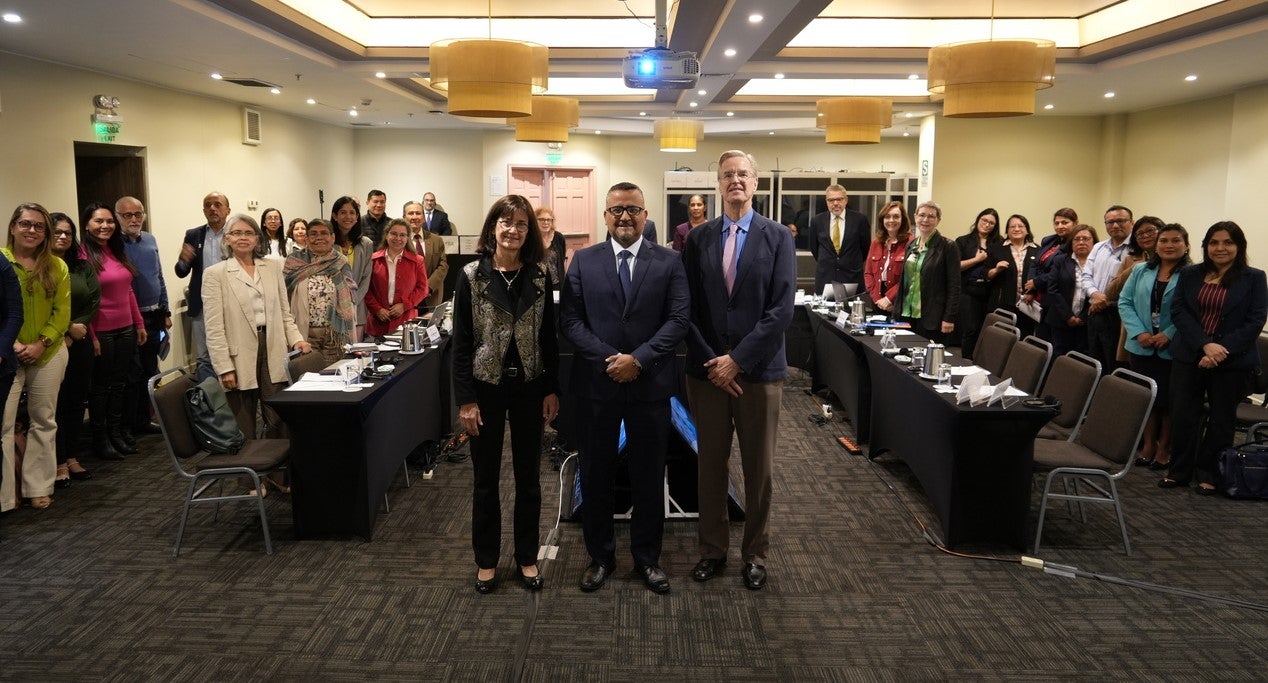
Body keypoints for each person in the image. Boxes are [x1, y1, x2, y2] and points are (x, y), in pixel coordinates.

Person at [560, 181, 689, 595]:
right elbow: (572, 323)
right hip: (598, 387)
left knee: (649, 475)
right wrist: (611, 361)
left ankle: (647, 559)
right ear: (605, 216)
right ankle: (600, 558)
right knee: (596, 473)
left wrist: (640, 360)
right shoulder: (582, 261)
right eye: (617, 209)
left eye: (633, 209)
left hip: (649, 386)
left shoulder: (669, 262)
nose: (625, 216)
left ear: (645, 215)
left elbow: (678, 319)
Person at [682, 150, 796, 591]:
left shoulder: (777, 237)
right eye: (727, 174)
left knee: (759, 469)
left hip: (758, 372)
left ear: (755, 182)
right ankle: (712, 550)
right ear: (718, 183)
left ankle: (755, 554)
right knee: (709, 464)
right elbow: (686, 307)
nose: (735, 181)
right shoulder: (699, 238)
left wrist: (738, 360)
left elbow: (781, 310)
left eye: (742, 174)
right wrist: (716, 362)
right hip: (707, 372)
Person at [452, 194, 560, 594]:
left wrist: (552, 388)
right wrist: (465, 399)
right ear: (493, 227)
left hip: (530, 386)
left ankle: (527, 558)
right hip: (485, 388)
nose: (513, 230)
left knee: (529, 478)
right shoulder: (471, 276)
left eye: (521, 224)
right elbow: (461, 343)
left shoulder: (539, 275)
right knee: (485, 479)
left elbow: (549, 338)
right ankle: (486, 560)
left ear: (529, 231)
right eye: (506, 222)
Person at [1163, 221, 1268, 495]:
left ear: (1239, 246)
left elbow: (1255, 320)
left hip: (1231, 360)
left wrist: (1219, 350)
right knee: (1184, 415)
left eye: (1228, 242)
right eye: (1214, 242)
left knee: (1222, 420)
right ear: (1205, 246)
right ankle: (1179, 471)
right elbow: (1180, 311)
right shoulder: (1190, 274)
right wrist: (1205, 346)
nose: (1220, 248)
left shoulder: (1254, 277)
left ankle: (1210, 473)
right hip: (1190, 354)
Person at [203, 214, 311, 450]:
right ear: (227, 239)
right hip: (238, 352)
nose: (243, 238)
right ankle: (250, 479)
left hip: (272, 345)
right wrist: (224, 367)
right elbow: (213, 326)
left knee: (277, 415)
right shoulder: (215, 274)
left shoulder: (273, 267)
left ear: (257, 238)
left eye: (248, 233)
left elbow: (284, 312)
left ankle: (278, 475)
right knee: (244, 419)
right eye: (236, 233)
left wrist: (297, 340)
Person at [2, 203, 69, 512]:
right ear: (13, 226)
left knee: (43, 420)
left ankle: (38, 487)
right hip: (6, 354)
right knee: (3, 425)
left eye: (39, 226)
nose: (31, 230)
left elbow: (62, 312)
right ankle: (5, 496)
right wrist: (11, 343)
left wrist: (42, 343)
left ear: (46, 233)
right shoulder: (2, 262)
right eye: (26, 224)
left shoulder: (56, 266)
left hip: (48, 352)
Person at [1119, 223, 1189, 471]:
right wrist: (1139, 332)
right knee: (1147, 398)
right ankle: (1147, 445)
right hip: (1142, 345)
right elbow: (1124, 302)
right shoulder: (1140, 270)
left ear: (1186, 245)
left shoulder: (1192, 274)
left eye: (1175, 240)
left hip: (1174, 348)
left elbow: (1193, 311)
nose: (1169, 245)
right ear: (1156, 246)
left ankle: (1163, 447)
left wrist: (1168, 334)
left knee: (1168, 401)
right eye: (1164, 241)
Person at [81, 203, 147, 460]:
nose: (105, 226)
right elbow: (82, 301)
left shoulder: (116, 250)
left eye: (109, 221)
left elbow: (128, 290)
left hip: (126, 328)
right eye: (99, 221)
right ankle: (101, 438)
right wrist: (93, 336)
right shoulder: (82, 255)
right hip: (101, 331)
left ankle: (116, 433)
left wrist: (138, 323)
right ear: (87, 224)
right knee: (101, 387)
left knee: (119, 384)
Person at [50, 213, 99, 485]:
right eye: (57, 232)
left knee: (76, 401)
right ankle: (56, 462)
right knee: (53, 406)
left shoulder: (82, 266)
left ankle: (71, 456)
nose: (63, 237)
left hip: (79, 342)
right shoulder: (41, 266)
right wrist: (66, 329)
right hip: (51, 343)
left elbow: (93, 300)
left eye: (68, 233)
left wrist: (78, 328)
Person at [116, 196, 169, 439]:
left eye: (138, 214)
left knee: (150, 369)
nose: (134, 219)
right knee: (131, 373)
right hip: (129, 319)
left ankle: (144, 418)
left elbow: (159, 275)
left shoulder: (150, 239)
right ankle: (126, 426)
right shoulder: (114, 244)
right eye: (128, 215)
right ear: (118, 217)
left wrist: (165, 309)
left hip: (154, 314)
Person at [283, 220, 356, 364]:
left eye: (324, 233)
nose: (319, 237)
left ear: (333, 237)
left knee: (335, 375)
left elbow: (352, 292)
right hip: (304, 332)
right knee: (307, 376)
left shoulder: (341, 262)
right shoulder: (294, 262)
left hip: (335, 332)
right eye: (313, 234)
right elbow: (284, 295)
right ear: (307, 238)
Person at [175, 191, 230, 381]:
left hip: (231, 302)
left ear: (228, 210)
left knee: (232, 352)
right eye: (208, 205)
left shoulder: (235, 233)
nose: (212, 208)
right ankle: (211, 401)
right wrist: (184, 259)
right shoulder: (194, 235)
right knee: (204, 357)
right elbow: (181, 271)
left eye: (217, 204)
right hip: (202, 304)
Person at [895, 201, 960, 342]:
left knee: (927, 359)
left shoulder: (948, 246)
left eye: (931, 216)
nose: (925, 220)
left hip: (932, 317)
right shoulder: (911, 245)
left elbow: (954, 286)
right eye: (922, 215)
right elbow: (905, 281)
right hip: (906, 313)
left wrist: (949, 318)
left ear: (938, 220)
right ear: (915, 217)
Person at [1082, 205, 1134, 374]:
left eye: (1121, 221)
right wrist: (1096, 295)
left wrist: (1105, 300)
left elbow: (1129, 285)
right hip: (1094, 311)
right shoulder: (1098, 247)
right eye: (1110, 222)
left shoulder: (1135, 250)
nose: (1115, 225)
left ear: (1132, 223)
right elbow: (1086, 275)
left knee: (1115, 364)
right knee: (1095, 361)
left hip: (1118, 314)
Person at [1106, 216, 1163, 364]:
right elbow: (1111, 293)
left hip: (1164, 335)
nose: (1145, 236)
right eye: (1139, 233)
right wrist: (1139, 265)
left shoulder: (1175, 263)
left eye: (1150, 231)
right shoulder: (1131, 260)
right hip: (1135, 332)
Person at [365, 219, 428, 337]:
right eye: (394, 234)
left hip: (406, 321)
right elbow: (365, 289)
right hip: (377, 322)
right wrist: (377, 309)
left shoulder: (417, 261)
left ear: (408, 238)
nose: (398, 238)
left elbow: (422, 289)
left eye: (402, 235)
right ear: (386, 235)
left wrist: (404, 305)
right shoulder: (372, 260)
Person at [1044, 225, 1099, 357]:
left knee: (1082, 359)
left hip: (1087, 322)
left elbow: (1101, 292)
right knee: (1059, 356)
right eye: (1077, 239)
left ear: (1094, 242)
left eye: (1086, 239)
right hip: (1060, 320)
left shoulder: (1099, 263)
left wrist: (1082, 317)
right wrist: (1068, 316)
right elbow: (1052, 289)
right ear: (1071, 242)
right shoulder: (1060, 261)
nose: (1081, 242)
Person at [955, 208, 1002, 357]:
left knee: (989, 330)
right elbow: (956, 266)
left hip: (991, 291)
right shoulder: (962, 241)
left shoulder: (999, 242)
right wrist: (977, 260)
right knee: (971, 329)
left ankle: (984, 364)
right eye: (984, 220)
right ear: (978, 220)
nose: (987, 225)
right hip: (968, 291)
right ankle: (966, 362)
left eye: (991, 223)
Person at [808, 184, 869, 295]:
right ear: (826, 202)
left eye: (839, 199)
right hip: (826, 278)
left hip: (852, 278)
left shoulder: (860, 220)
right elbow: (814, 248)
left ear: (846, 200)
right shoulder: (817, 221)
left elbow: (865, 248)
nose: (835, 203)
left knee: (852, 311)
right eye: (831, 200)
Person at [1028, 208, 1078, 342]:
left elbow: (1058, 272)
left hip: (1056, 296)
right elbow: (1035, 264)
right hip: (1039, 296)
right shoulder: (1049, 241)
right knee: (1039, 338)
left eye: (1065, 222)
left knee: (1052, 341)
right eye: (1057, 223)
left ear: (1075, 223)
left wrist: (1037, 282)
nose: (1060, 226)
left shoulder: (1075, 243)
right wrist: (1031, 286)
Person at [985, 214, 1038, 338]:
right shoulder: (996, 249)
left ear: (1027, 230)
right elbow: (985, 273)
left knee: (1024, 340)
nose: (1016, 229)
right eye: (1012, 226)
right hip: (1002, 303)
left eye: (1020, 226)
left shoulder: (1037, 250)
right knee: (1000, 339)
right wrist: (996, 269)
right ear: (1007, 231)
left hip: (1028, 306)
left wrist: (1033, 292)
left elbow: (1042, 276)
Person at [331, 196, 374, 341]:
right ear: (334, 216)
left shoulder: (366, 243)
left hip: (357, 307)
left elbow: (366, 278)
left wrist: (351, 301)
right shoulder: (327, 243)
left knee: (354, 354)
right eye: (343, 212)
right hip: (332, 307)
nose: (348, 216)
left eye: (352, 213)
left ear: (357, 217)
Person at [863, 201, 911, 314]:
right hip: (877, 300)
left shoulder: (911, 243)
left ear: (902, 219)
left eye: (896, 216)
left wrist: (889, 298)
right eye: (887, 217)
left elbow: (909, 278)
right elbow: (868, 273)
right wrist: (877, 299)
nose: (891, 220)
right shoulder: (876, 242)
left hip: (899, 301)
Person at [402, 200, 448, 310]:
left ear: (423, 217)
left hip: (431, 295)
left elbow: (443, 266)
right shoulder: (399, 240)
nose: (414, 217)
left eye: (418, 213)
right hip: (407, 297)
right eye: (410, 213)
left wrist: (428, 287)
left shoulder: (436, 240)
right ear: (404, 217)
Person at [536, 206, 567, 287]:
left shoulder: (559, 237)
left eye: (549, 219)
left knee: (556, 300)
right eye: (542, 219)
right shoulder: (531, 238)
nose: (546, 222)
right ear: (535, 221)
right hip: (537, 285)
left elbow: (561, 259)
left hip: (556, 284)